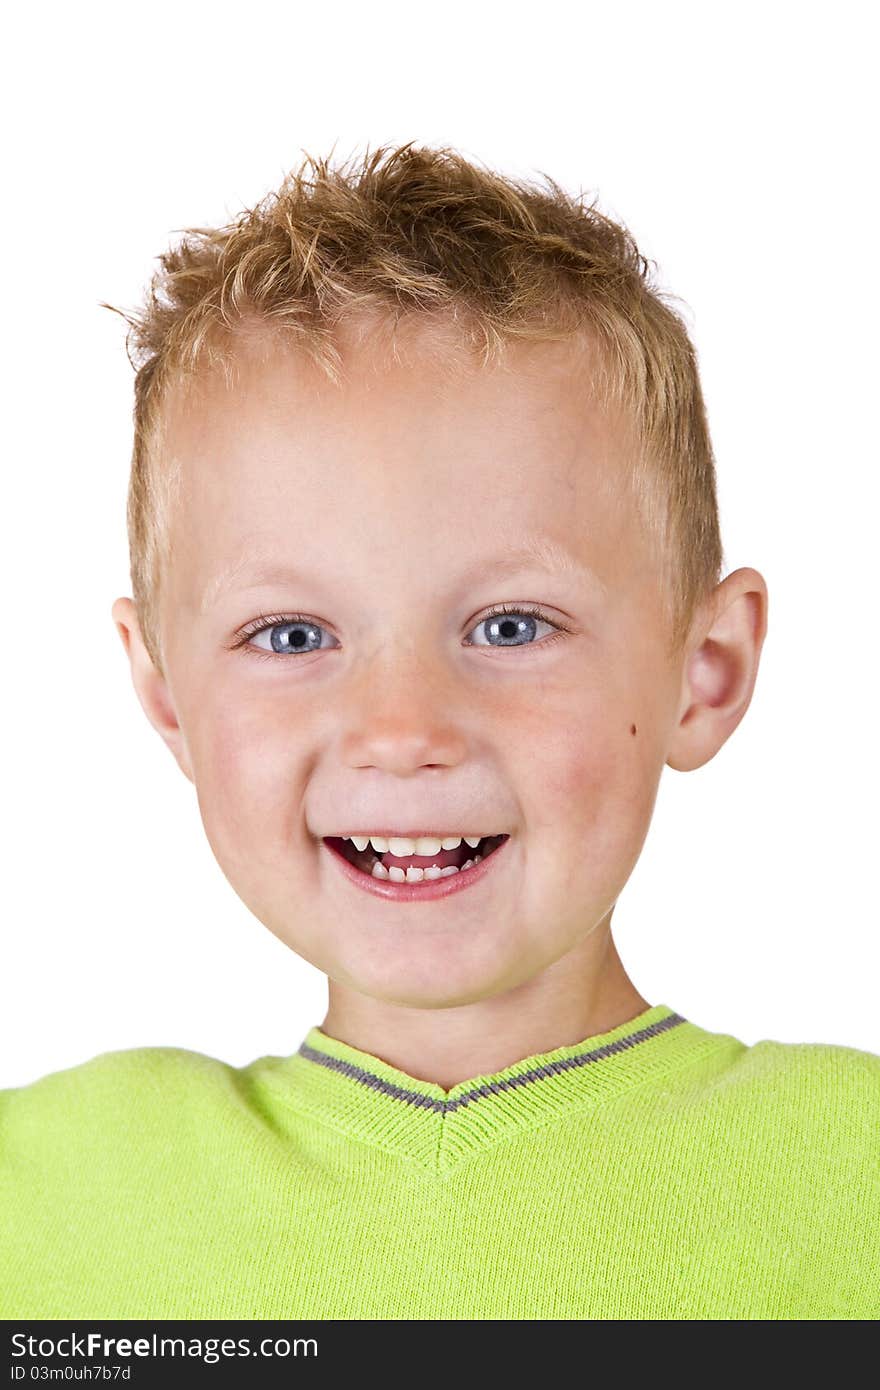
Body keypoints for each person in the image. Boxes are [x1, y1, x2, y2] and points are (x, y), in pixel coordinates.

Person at [1, 142, 877, 1320]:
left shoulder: (848, 1174)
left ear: (705, 671)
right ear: (166, 697)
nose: (400, 730)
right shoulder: (47, 1191)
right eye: (293, 636)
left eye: (510, 625)